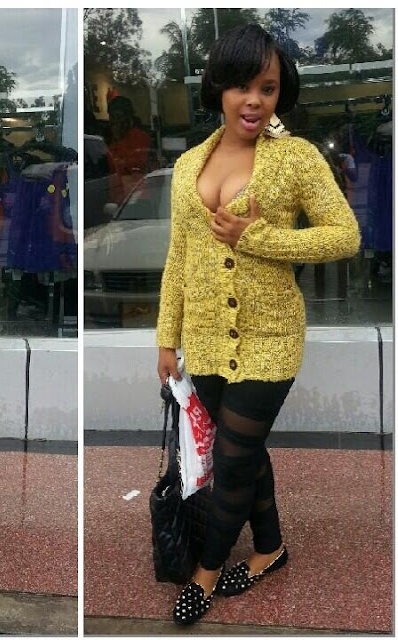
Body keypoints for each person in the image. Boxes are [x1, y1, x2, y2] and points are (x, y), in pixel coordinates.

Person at [156, 24, 360, 626]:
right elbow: (178, 258)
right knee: (243, 450)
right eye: (241, 86)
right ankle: (270, 547)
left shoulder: (296, 158)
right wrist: (167, 338)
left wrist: (259, 237)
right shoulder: (189, 163)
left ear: (279, 93)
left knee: (232, 457)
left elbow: (345, 236)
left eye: (267, 88)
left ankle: (206, 571)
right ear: (218, 88)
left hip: (271, 339)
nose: (254, 101)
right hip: (206, 341)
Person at [106, 95, 152, 203]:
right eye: (112, 117)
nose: (115, 121)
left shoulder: (140, 137)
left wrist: (120, 163)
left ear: (128, 117)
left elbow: (137, 166)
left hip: (138, 196)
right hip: (117, 198)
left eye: (118, 117)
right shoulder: (110, 140)